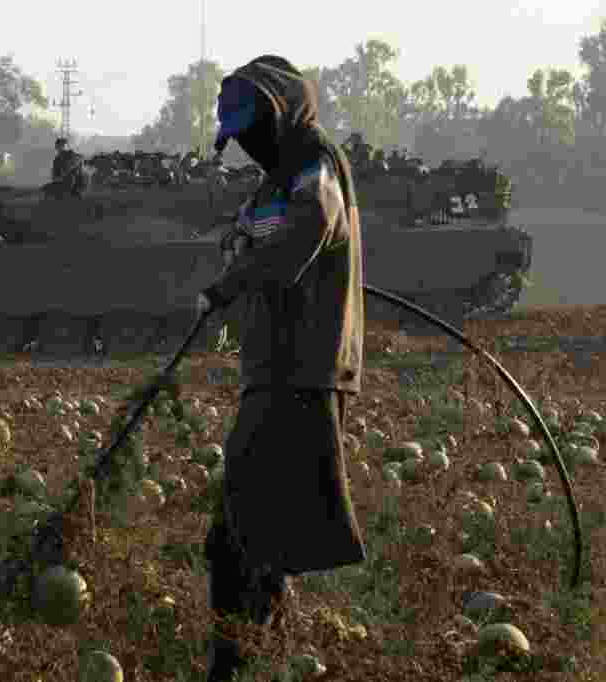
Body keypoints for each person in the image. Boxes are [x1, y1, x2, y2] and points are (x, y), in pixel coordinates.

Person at [194, 54, 367, 682]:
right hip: (272, 369)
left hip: (303, 370)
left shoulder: (315, 165)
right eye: (238, 136)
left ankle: (234, 664)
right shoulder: (271, 183)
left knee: (241, 533)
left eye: (253, 130)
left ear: (282, 115)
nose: (247, 145)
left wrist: (232, 279)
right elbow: (253, 235)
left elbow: (311, 227)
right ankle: (253, 655)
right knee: (250, 530)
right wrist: (236, 247)